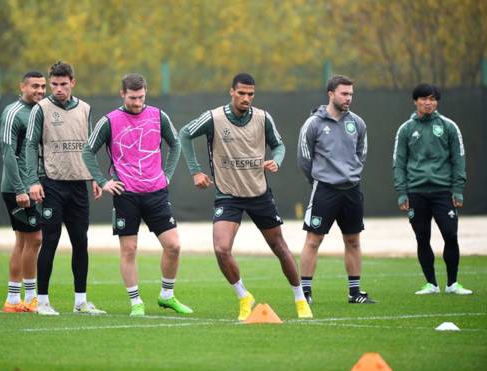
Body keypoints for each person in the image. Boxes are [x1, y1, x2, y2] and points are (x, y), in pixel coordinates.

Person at [179, 73, 312, 321]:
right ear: (232, 92)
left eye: (251, 94)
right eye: (241, 93)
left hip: (259, 194)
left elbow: (279, 146)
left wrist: (277, 160)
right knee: (221, 249)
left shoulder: (263, 118)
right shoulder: (214, 118)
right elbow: (184, 134)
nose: (246, 98)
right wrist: (196, 171)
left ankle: (300, 298)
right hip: (228, 195)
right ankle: (243, 296)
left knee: (280, 247)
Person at [82, 73, 192, 317]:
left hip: (157, 193)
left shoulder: (158, 115)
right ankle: (136, 303)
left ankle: (167, 296)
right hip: (126, 195)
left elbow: (175, 144)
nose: (137, 102)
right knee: (129, 250)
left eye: (141, 97)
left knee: (173, 246)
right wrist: (102, 181)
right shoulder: (109, 120)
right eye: (132, 98)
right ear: (122, 94)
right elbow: (88, 151)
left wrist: (168, 175)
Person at [25, 61, 106, 315]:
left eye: (63, 83)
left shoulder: (85, 108)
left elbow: (90, 146)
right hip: (52, 184)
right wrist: (33, 181)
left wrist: (94, 177)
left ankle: (80, 301)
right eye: (54, 84)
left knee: (80, 242)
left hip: (79, 185)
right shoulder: (41, 109)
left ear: (73, 82)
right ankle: (43, 302)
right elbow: (29, 146)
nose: (58, 89)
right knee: (50, 240)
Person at [297, 75, 375, 304]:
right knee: (313, 240)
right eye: (344, 93)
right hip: (324, 190)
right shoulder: (313, 123)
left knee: (353, 240)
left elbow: (362, 153)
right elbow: (304, 158)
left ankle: (354, 293)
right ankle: (306, 293)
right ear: (331, 94)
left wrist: (351, 173)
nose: (349, 98)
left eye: (351, 94)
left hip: (352, 190)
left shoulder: (358, 123)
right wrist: (319, 181)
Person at [392, 83, 471, 295]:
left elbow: (459, 159)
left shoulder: (449, 126)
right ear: (415, 101)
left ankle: (452, 283)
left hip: (443, 192)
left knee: (450, 235)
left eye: (433, 99)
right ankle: (431, 284)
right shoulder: (406, 129)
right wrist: (402, 193)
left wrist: (458, 188)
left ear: (437, 102)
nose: (429, 103)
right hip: (416, 193)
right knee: (422, 237)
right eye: (424, 99)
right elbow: (399, 163)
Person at [0, 71, 46, 313]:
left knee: (22, 241)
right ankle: (30, 298)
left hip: (34, 186)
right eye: (35, 86)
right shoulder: (13, 113)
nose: (40, 90)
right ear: (22, 87)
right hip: (17, 189)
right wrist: (20, 188)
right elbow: (8, 153)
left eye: (43, 86)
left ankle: (12, 300)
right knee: (35, 238)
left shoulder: (40, 111)